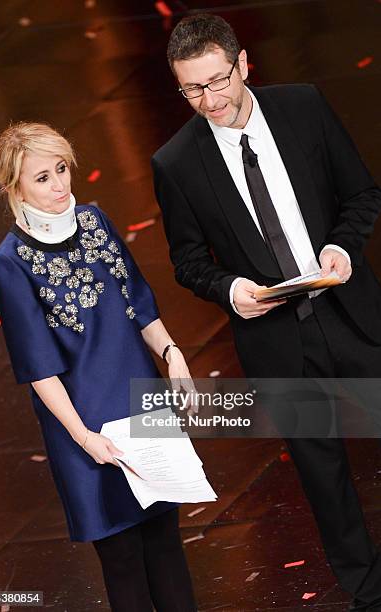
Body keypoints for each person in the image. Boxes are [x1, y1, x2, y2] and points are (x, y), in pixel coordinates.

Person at [151, 13, 381, 612]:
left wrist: (342, 245)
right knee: (324, 479)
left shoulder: (303, 108)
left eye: (219, 80)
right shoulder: (175, 163)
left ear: (243, 63)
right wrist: (230, 290)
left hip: (353, 316)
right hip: (278, 340)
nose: (210, 99)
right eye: (192, 89)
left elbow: (361, 193)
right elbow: (186, 261)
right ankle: (367, 592)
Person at [0, 122, 197, 612]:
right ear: (13, 187)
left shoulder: (95, 222)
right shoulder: (10, 261)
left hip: (140, 405)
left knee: (166, 542)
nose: (59, 185)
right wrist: (85, 438)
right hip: (84, 427)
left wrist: (172, 354)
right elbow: (39, 368)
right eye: (42, 177)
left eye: (61, 169)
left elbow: (138, 303)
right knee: (122, 556)